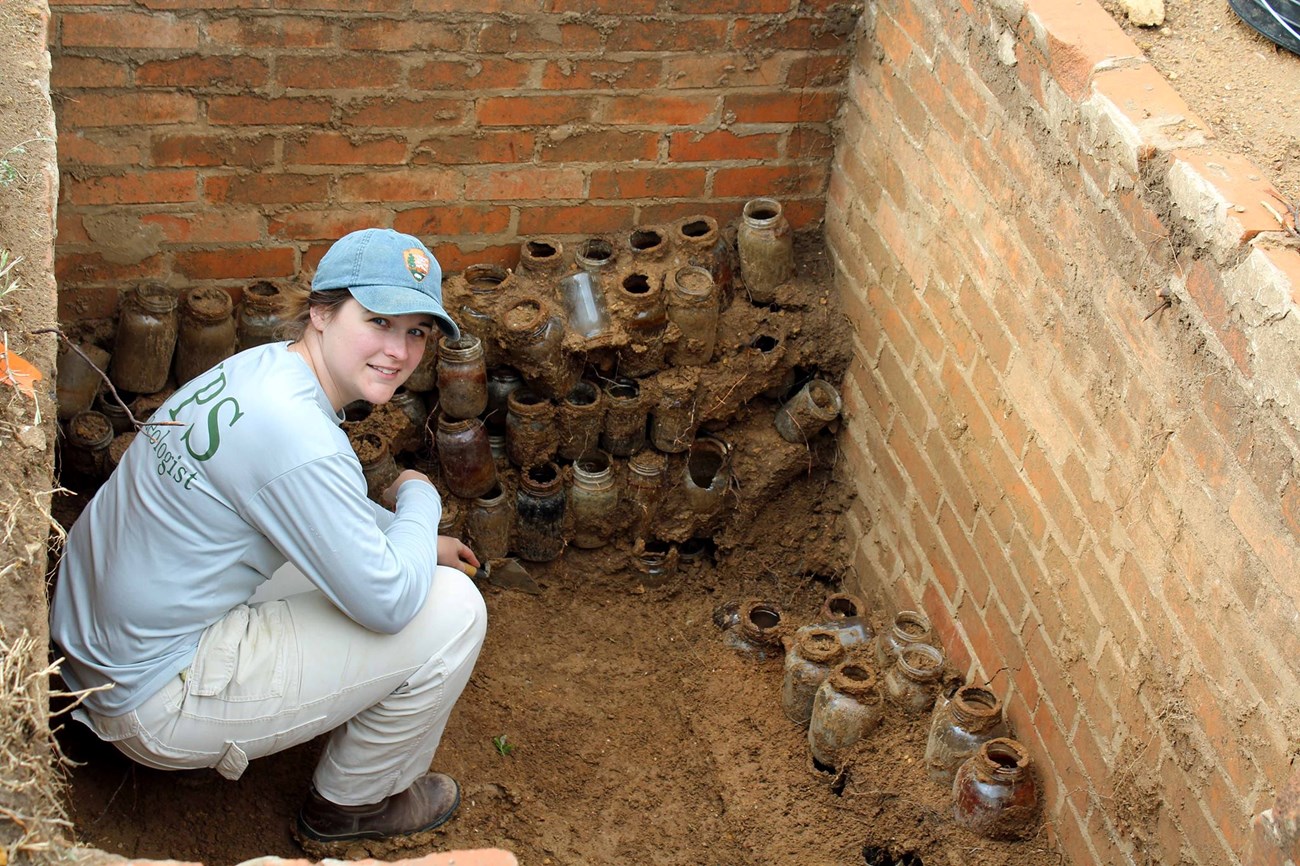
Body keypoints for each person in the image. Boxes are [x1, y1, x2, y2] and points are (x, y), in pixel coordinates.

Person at [49, 228, 488, 856]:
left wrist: (402, 537)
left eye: (417, 330)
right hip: (149, 699)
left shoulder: (259, 368)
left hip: (85, 647)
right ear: (321, 311)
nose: (399, 349)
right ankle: (352, 805)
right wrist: (419, 498)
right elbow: (387, 600)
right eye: (380, 320)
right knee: (450, 609)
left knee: (384, 565)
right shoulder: (300, 436)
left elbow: (296, 499)